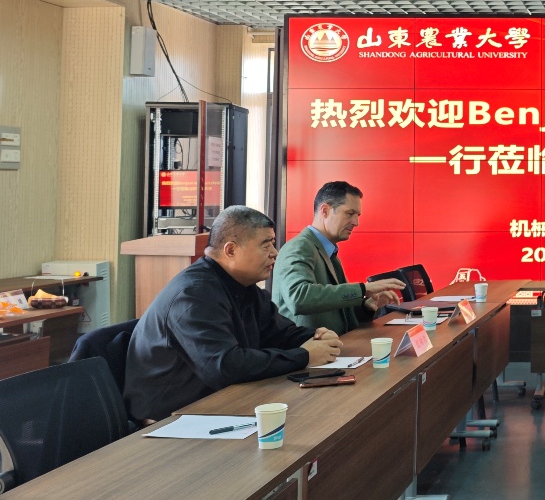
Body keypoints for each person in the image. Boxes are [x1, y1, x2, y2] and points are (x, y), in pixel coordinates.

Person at [124, 206, 343, 422]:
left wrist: (316, 337)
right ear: (231, 250)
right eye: (266, 245)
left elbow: (278, 333)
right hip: (169, 418)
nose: (274, 253)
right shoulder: (193, 294)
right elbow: (224, 366)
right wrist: (304, 356)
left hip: (221, 401)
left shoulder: (244, 286)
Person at [272, 181, 405, 334]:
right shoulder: (299, 247)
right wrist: (363, 289)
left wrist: (366, 306)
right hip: (306, 346)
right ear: (325, 210)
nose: (356, 222)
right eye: (350, 213)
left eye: (357, 215)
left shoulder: (328, 252)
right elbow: (299, 297)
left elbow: (337, 309)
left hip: (333, 344)